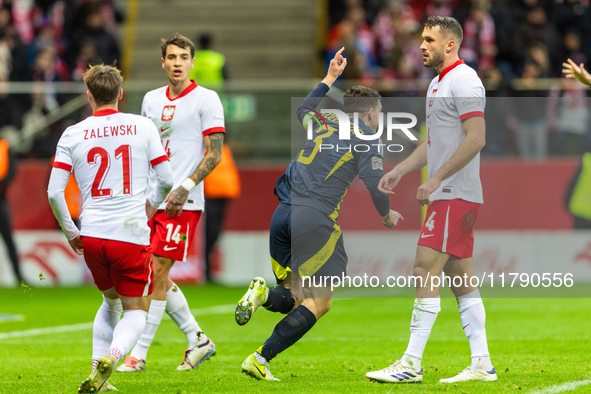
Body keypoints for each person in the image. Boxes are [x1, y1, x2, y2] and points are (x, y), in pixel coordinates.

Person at [234, 47, 403, 381]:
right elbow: (375, 185)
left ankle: (264, 295)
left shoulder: (323, 122)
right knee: (321, 302)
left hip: (282, 214)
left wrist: (329, 78)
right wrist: (386, 215)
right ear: (369, 112)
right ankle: (260, 358)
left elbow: (304, 108)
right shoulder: (367, 137)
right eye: (380, 111)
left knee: (296, 296)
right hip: (314, 220)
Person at [366, 16, 495, 384]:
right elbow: (434, 143)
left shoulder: (465, 79)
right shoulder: (438, 84)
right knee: (461, 279)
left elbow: (477, 136)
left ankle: (410, 363)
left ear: (450, 45)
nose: (421, 46)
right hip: (451, 193)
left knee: (424, 268)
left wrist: (437, 178)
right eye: (421, 39)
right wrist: (402, 170)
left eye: (429, 40)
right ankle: (482, 363)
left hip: (454, 192)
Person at [47, 64, 173, 393]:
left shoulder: (72, 134)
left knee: (109, 302)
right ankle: (112, 357)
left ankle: (98, 375)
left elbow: (53, 192)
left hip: (92, 233)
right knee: (135, 312)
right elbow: (168, 179)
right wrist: (151, 206)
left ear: (89, 96)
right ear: (120, 94)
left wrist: (71, 232)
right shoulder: (142, 126)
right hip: (129, 232)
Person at [116, 33, 224, 372]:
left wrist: (186, 186)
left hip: (184, 201)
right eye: (172, 57)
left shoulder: (207, 99)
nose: (177, 63)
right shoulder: (149, 100)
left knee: (157, 270)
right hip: (151, 199)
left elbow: (215, 153)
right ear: (162, 62)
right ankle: (198, 339)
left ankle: (139, 354)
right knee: (150, 271)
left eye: (183, 57)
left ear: (192, 63)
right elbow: (146, 151)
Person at [203, 142, 241, 281]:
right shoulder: (208, 151)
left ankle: (207, 269)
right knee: (209, 232)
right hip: (210, 195)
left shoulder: (224, 150)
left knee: (214, 233)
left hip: (223, 194)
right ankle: (204, 270)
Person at [0, 139, 24, 285]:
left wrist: (2, 185)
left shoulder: (5, 146)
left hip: (1, 199)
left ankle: (18, 275)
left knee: (9, 240)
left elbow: (12, 170)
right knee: (9, 240)